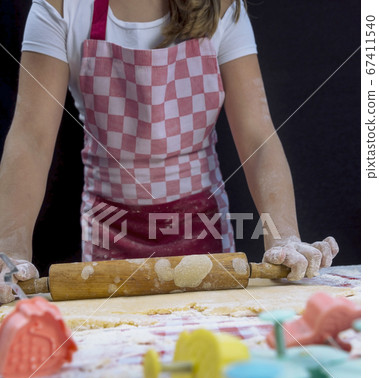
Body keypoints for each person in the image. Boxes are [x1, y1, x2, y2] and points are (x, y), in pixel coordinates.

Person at [0, 0, 339, 303]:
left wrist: (284, 239)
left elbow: (257, 137)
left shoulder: (220, 7)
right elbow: (31, 139)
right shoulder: (62, 8)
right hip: (109, 229)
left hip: (203, 225)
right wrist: (10, 254)